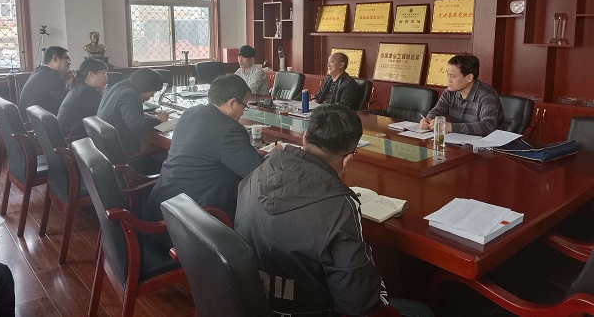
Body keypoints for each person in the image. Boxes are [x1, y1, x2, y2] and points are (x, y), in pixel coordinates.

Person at [235, 104, 435, 317]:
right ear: (348, 159)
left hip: (253, 301)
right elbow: (359, 302)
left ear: (304, 137)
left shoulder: (260, 170)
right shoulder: (339, 204)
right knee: (420, 312)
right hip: (309, 310)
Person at [144, 74, 264, 232]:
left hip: (161, 207)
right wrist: (273, 156)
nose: (243, 113)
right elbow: (258, 172)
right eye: (244, 106)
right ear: (232, 103)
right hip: (189, 224)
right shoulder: (230, 130)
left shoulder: (190, 113)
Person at [419, 53, 504, 136]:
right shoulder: (449, 92)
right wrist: (428, 120)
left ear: (469, 78)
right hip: (459, 141)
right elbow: (437, 111)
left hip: (488, 143)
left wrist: (451, 127)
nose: (448, 80)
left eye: (453, 76)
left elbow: (488, 126)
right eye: (448, 75)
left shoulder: (487, 95)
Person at [97, 68, 169, 152]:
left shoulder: (117, 87)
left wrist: (144, 114)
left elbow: (119, 113)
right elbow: (135, 124)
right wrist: (159, 120)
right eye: (153, 92)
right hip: (122, 149)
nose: (152, 96)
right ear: (146, 87)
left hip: (107, 145)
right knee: (163, 150)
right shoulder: (129, 94)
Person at [57, 58, 108, 139]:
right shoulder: (85, 92)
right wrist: (103, 94)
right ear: (91, 74)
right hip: (72, 138)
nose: (106, 78)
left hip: (67, 133)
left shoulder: (79, 86)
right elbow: (104, 113)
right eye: (104, 73)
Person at [19, 46, 72, 120]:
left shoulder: (40, 71)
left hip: (33, 120)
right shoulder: (51, 76)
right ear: (55, 58)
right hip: (36, 123)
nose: (69, 62)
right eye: (66, 58)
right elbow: (69, 101)